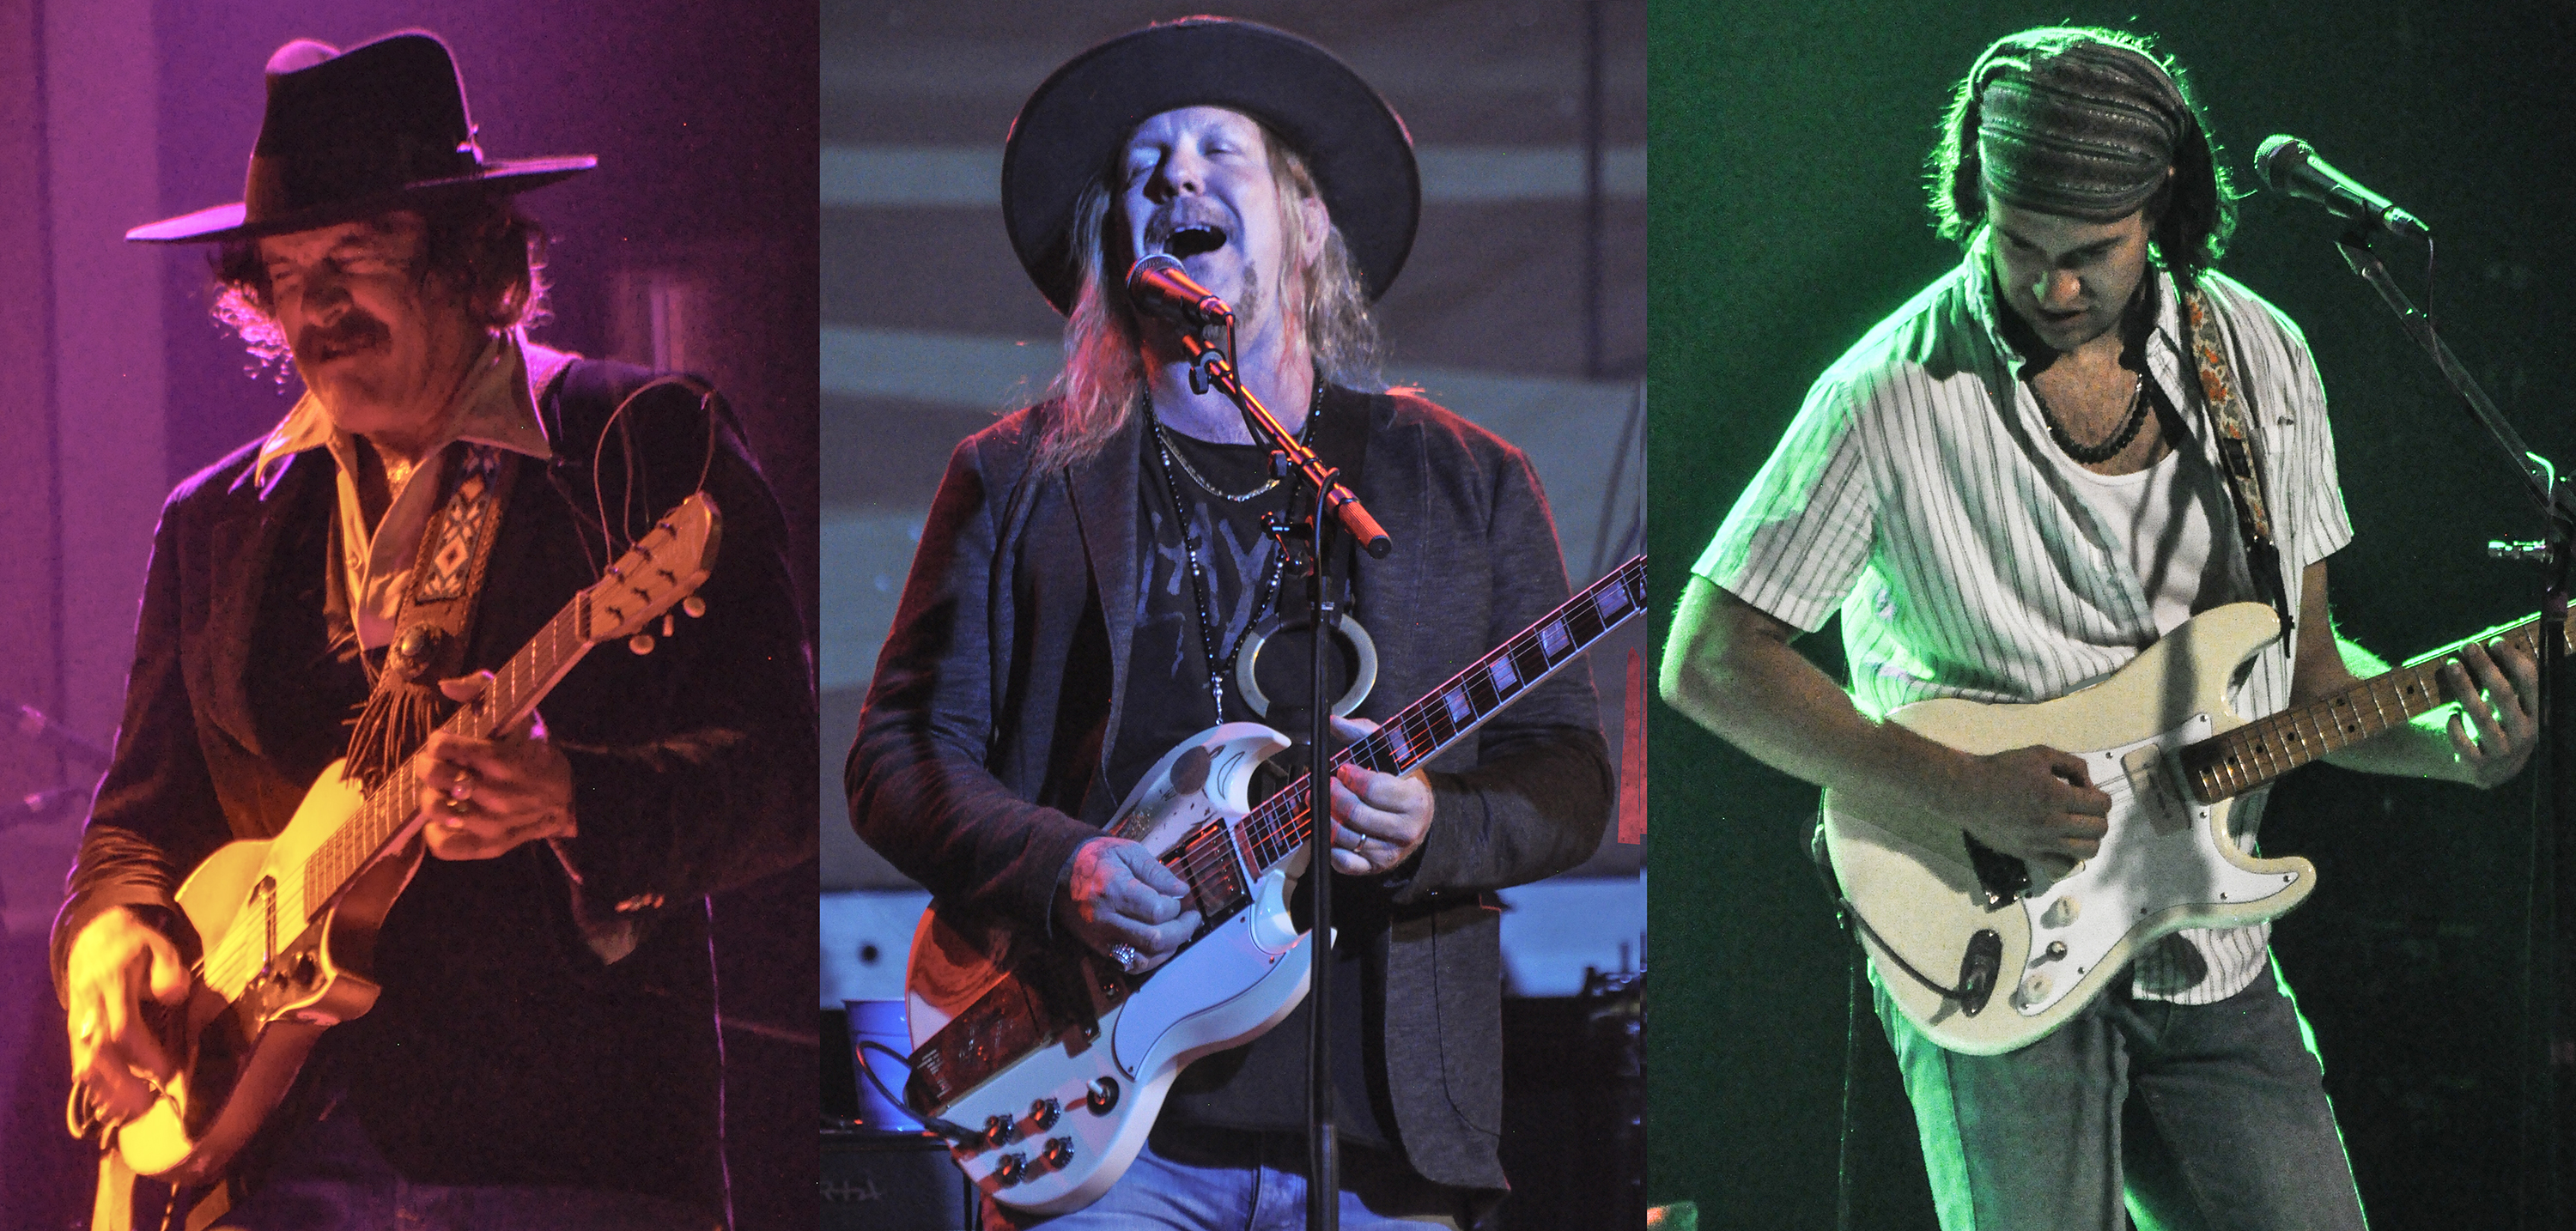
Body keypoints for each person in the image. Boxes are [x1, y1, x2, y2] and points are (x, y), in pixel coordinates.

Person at [1661, 27, 2537, 1231]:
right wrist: (1961, 784)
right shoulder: (1886, 393)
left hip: (2210, 959)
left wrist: (2450, 743)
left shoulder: (2265, 358)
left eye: (2093, 253)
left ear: (2164, 207)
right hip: (1990, 947)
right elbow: (1710, 660)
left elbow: (2310, 679)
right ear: (1975, 197)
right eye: (2019, 242)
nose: (2054, 283)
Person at [848, 18, 1613, 1230]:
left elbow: (1573, 775)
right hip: (1104, 1133)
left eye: (1219, 151)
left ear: (1306, 224)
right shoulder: (1015, 479)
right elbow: (895, 758)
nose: (1178, 177)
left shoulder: (1462, 482)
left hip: (1383, 1146)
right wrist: (1066, 868)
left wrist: (1436, 825)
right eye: (1145, 164)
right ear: (1116, 241)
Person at [53, 33, 814, 1230]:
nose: (315, 307)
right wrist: (108, 937)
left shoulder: (635, 444)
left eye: (354, 259)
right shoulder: (212, 520)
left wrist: (575, 794)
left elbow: (789, 776)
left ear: (474, 261)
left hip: (563, 1161)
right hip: (268, 1168)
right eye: (286, 272)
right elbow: (141, 822)